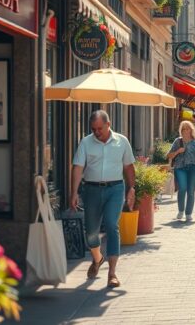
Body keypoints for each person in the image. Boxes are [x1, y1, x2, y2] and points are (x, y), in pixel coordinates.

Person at [69, 110, 135, 289]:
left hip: (115, 188)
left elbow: (129, 166)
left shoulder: (122, 141)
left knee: (112, 225)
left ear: (108, 124)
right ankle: (97, 258)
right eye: (93, 129)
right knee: (91, 232)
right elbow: (77, 167)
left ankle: (112, 273)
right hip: (91, 189)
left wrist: (132, 189)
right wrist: (73, 193)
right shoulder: (86, 142)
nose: (96, 132)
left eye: (100, 128)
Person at [167, 121, 195, 222]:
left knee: (191, 191)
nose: (186, 131)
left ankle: (188, 213)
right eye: (184, 129)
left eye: (188, 129)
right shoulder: (177, 141)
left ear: (191, 130)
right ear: (181, 130)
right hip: (180, 167)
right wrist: (178, 151)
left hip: (193, 167)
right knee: (182, 188)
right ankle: (180, 210)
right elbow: (169, 155)